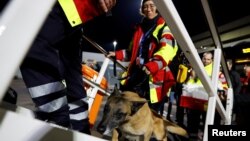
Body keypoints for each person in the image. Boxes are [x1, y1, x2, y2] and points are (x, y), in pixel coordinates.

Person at [20, 0, 116, 134]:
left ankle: (57, 117)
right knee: (71, 72)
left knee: (32, 46)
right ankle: (80, 127)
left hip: (69, 5)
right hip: (76, 11)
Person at [107, 0, 178, 112]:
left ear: (158, 7)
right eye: (145, 6)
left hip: (154, 79)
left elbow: (167, 50)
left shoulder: (165, 26)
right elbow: (132, 52)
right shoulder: (139, 29)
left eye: (151, 6)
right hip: (137, 74)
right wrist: (117, 54)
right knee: (128, 112)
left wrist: (153, 65)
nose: (148, 9)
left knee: (148, 118)